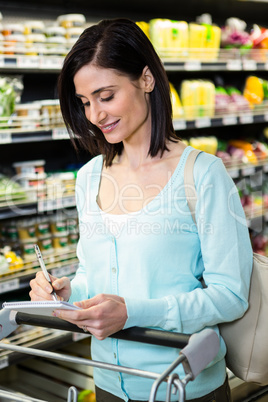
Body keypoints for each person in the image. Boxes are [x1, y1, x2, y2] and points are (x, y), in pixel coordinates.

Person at [29, 18, 253, 402]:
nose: (95, 116)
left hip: (182, 386)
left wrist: (134, 313)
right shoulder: (89, 178)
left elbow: (230, 295)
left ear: (146, 79)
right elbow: (93, 274)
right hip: (108, 382)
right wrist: (68, 291)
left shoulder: (202, 175)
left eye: (106, 95)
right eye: (84, 103)